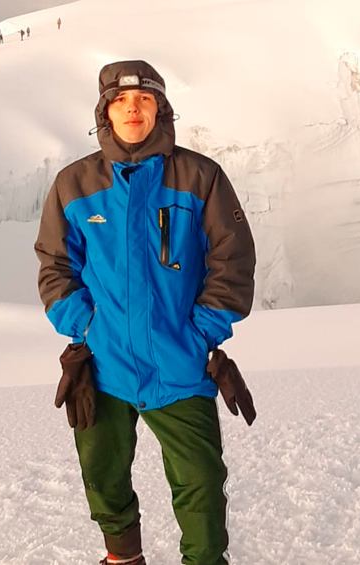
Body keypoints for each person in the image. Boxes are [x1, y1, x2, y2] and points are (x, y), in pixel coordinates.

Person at [34, 60, 257, 565]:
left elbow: (233, 257)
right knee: (103, 475)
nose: (132, 109)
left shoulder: (201, 177)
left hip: (180, 363)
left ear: (161, 109)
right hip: (104, 366)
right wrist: (84, 326)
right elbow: (55, 263)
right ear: (104, 112)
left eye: (143, 100)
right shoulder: (75, 183)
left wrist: (202, 333)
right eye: (120, 101)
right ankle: (123, 558)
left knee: (200, 482)